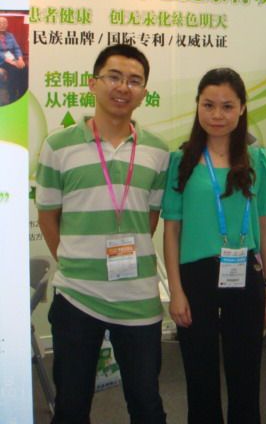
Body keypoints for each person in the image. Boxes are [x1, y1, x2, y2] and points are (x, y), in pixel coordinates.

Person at [36, 43, 169, 424]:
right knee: (71, 406)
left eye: (134, 81)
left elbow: (150, 219)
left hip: (139, 299)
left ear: (144, 93)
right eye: (114, 77)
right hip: (78, 296)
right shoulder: (58, 146)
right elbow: (48, 216)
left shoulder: (158, 151)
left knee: (146, 404)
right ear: (93, 83)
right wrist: (77, 261)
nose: (123, 87)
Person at [162, 67, 266, 424]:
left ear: (242, 108)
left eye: (227, 106)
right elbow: (172, 231)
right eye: (208, 105)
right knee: (199, 377)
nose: (217, 115)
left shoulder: (257, 159)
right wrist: (176, 291)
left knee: (246, 376)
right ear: (198, 105)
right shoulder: (181, 161)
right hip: (195, 279)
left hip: (245, 273)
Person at [0, 14, 27, 103]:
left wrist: (20, 59)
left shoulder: (10, 35)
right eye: (0, 23)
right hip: (2, 60)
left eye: (5, 23)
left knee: (24, 68)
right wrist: (11, 61)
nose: (2, 25)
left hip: (12, 58)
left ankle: (22, 94)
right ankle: (12, 96)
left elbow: (16, 48)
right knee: (14, 70)